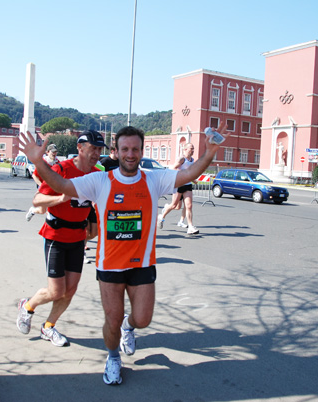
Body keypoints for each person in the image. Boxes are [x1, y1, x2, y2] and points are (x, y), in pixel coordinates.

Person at [19, 124, 227, 386]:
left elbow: (188, 173)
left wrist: (208, 154)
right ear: (116, 151)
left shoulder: (154, 178)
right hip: (109, 267)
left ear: (141, 151)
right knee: (112, 320)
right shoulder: (100, 180)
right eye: (125, 149)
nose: (131, 154)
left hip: (142, 264)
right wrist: (38, 161)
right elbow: (60, 183)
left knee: (142, 319)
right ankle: (113, 357)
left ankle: (130, 328)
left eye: (136, 149)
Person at [16, 131, 104, 348]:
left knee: (70, 290)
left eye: (100, 149)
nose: (97, 153)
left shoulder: (96, 173)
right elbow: (37, 199)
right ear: (80, 147)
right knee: (56, 291)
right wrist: (61, 197)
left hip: (78, 238)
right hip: (56, 236)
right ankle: (27, 307)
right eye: (93, 148)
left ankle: (48, 327)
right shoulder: (62, 169)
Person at [157, 143, 199, 234]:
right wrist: (181, 175)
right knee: (175, 205)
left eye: (193, 148)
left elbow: (189, 172)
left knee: (189, 206)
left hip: (187, 185)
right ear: (185, 149)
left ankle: (190, 227)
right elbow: (172, 168)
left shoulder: (192, 160)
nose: (193, 150)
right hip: (179, 184)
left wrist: (193, 179)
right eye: (191, 148)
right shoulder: (181, 159)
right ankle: (162, 216)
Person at [26, 143, 59, 221]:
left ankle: (52, 223)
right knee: (42, 211)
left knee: (52, 208)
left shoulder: (58, 163)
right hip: (43, 189)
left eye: (55, 152)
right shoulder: (42, 163)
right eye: (52, 152)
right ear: (47, 152)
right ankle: (32, 210)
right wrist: (41, 185)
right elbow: (34, 176)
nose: (54, 154)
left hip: (53, 188)